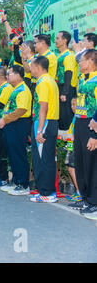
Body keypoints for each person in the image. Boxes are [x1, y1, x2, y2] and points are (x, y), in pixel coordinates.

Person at [69, 50, 97, 220]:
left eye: (82, 61)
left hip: (92, 125)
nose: (79, 63)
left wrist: (95, 134)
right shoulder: (82, 78)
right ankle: (85, 198)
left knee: (92, 164)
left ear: (91, 61)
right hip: (80, 123)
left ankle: (94, 202)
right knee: (80, 162)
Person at [0, 65, 32, 196]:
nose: (7, 76)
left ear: (18, 75)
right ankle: (16, 181)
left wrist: (5, 120)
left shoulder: (22, 89)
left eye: (10, 74)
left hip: (18, 124)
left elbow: (21, 110)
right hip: (11, 124)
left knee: (18, 154)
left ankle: (23, 184)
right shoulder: (14, 89)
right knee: (12, 154)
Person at [29, 55, 60, 203]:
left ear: (38, 67)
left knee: (42, 159)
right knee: (46, 158)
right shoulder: (50, 80)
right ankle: (46, 191)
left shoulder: (42, 82)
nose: (30, 68)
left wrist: (40, 130)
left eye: (32, 65)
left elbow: (43, 107)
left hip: (44, 123)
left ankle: (46, 193)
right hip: (50, 122)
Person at [55, 31, 78, 131]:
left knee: (67, 118)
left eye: (58, 38)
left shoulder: (69, 55)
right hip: (60, 88)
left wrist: (65, 92)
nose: (55, 41)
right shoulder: (60, 55)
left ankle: (69, 145)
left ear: (65, 41)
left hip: (67, 89)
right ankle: (61, 144)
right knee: (60, 117)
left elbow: (68, 73)